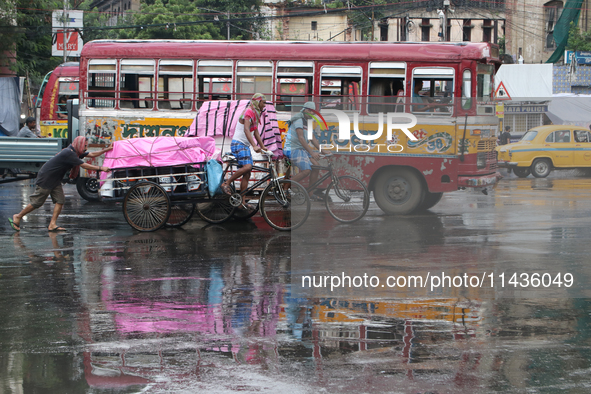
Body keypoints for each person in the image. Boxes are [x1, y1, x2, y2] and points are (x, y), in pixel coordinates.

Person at [8, 136, 113, 232]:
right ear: (79, 144)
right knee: (37, 202)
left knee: (60, 200)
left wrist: (107, 150)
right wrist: (101, 168)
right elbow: (84, 165)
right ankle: (18, 216)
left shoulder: (75, 151)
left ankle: (52, 224)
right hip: (46, 178)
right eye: (85, 146)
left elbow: (91, 154)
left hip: (55, 179)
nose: (86, 148)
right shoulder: (69, 153)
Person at [220, 93, 267, 209]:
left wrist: (262, 146)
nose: (264, 105)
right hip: (238, 144)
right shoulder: (249, 111)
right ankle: (226, 183)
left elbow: (255, 131)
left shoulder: (256, 113)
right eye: (263, 102)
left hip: (244, 145)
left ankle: (242, 201)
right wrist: (254, 146)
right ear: (258, 102)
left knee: (247, 173)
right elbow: (246, 129)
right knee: (248, 167)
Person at [284, 101, 323, 200]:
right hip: (292, 149)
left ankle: (310, 194)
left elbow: (312, 138)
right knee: (306, 170)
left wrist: (323, 150)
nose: (312, 113)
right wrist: (312, 152)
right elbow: (301, 138)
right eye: (310, 111)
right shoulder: (298, 119)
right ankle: (285, 189)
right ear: (305, 110)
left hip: (300, 149)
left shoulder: (308, 122)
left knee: (316, 166)